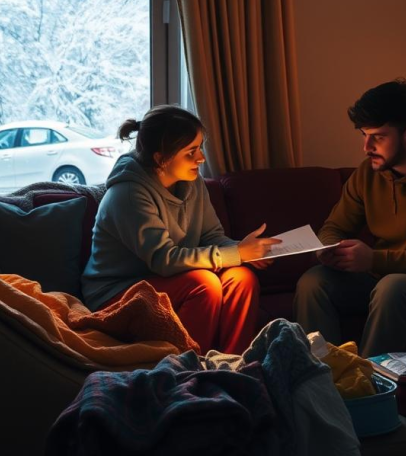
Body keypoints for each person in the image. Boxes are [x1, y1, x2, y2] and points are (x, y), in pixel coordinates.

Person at [294, 79, 406, 358]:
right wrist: (328, 249)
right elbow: (334, 226)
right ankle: (323, 378)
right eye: (364, 134)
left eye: (378, 136)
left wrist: (373, 260)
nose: (366, 146)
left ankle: (369, 383)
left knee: (394, 287)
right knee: (314, 282)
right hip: (381, 277)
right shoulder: (368, 173)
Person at [81, 105, 280, 354]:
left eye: (200, 147)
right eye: (191, 151)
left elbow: (210, 236)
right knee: (204, 283)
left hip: (171, 279)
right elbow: (163, 260)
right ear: (160, 158)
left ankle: (232, 363)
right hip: (117, 292)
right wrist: (236, 254)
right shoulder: (129, 194)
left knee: (242, 278)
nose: (201, 158)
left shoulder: (191, 181)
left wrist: (241, 248)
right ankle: (190, 366)